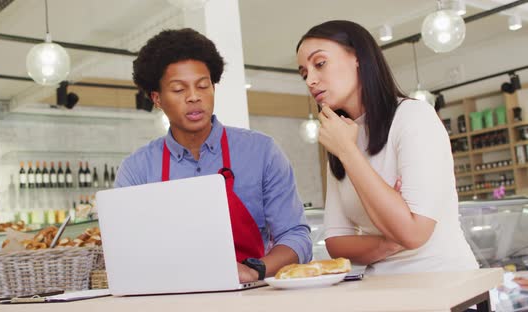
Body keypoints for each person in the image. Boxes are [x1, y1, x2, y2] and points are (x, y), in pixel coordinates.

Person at [115, 28, 312, 282]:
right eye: (178, 89)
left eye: (203, 85)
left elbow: (296, 236)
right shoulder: (137, 170)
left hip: (251, 295)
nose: (194, 97)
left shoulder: (262, 152)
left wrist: (255, 269)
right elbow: (126, 252)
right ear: (157, 99)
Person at [296, 20, 478, 275]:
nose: (311, 81)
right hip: (380, 289)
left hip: (444, 283)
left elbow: (414, 233)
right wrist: (389, 240)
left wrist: (349, 152)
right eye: (304, 73)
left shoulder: (413, 116)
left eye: (320, 64)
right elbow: (337, 243)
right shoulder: (340, 137)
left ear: (358, 57)